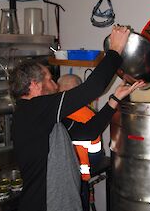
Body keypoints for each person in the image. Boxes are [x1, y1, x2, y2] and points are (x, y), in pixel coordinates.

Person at [9, 25, 146, 211]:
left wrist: (114, 99)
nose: (56, 85)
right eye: (50, 79)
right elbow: (92, 88)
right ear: (34, 85)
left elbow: (89, 131)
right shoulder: (33, 110)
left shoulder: (43, 118)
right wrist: (115, 51)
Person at [57, 73, 105, 210]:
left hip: (57, 180)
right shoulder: (89, 116)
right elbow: (95, 156)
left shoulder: (51, 113)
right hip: (79, 181)